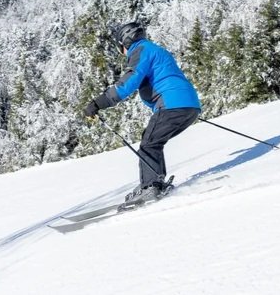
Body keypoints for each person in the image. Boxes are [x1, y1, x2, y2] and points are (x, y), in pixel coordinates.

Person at [84, 22, 201, 206]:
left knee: (149, 143)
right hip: (189, 105)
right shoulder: (154, 50)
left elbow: (128, 83)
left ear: (125, 42)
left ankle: (151, 186)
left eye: (120, 47)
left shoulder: (141, 50)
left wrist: (98, 103)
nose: (121, 51)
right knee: (153, 140)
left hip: (173, 104)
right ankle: (154, 183)